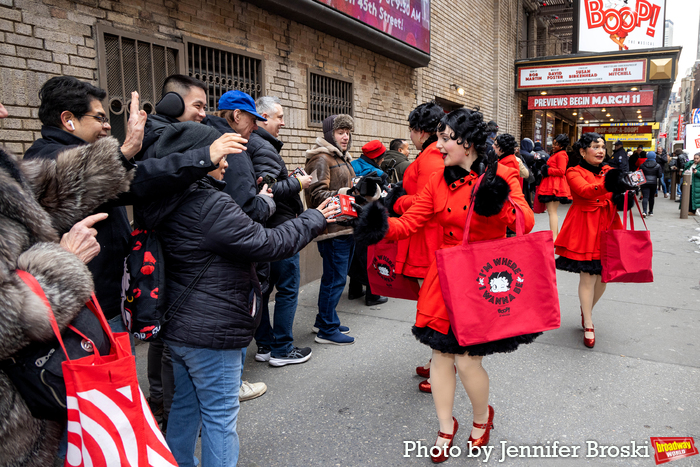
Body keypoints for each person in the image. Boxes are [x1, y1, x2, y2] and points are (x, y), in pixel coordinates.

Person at [354, 108, 538, 462]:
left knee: (468, 362)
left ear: (466, 143)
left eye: (444, 138)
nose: (437, 146)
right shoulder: (439, 180)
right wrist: (375, 216)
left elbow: (525, 222)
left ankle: (482, 419)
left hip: (484, 277)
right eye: (437, 137)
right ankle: (444, 425)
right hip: (445, 274)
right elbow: (409, 223)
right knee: (440, 354)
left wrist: (495, 202)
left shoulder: (500, 173)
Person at [145, 130, 337, 467]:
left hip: (180, 324)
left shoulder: (167, 199)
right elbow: (267, 243)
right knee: (220, 418)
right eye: (219, 155)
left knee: (186, 409)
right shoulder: (209, 203)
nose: (225, 164)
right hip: (212, 330)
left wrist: (262, 202)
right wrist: (315, 217)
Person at [249, 96, 315, 367]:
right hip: (280, 231)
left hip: (266, 231)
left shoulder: (256, 144)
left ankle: (265, 344)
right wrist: (299, 182)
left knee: (264, 290)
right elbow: (270, 190)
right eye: (279, 117)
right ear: (262, 117)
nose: (283, 123)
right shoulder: (262, 147)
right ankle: (282, 349)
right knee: (287, 289)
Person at [384, 101, 446, 393]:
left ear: (421, 131)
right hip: (426, 235)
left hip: (427, 238)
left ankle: (441, 366)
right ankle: (438, 361)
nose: (409, 135)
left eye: (411, 129)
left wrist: (396, 200)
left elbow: (428, 201)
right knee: (433, 304)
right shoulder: (433, 153)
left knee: (434, 308)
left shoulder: (432, 155)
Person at [554, 133, 634, 348]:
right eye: (595, 147)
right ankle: (588, 323)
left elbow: (617, 197)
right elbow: (585, 191)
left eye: (602, 147)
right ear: (582, 151)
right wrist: (610, 185)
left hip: (609, 223)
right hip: (585, 226)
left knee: (605, 278)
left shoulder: (610, 171)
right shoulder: (573, 171)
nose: (600, 151)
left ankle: (585, 308)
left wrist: (626, 191)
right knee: (588, 276)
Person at [304, 114, 359, 345]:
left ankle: (324, 320)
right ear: (330, 134)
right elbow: (316, 194)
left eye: (347, 132)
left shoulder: (340, 157)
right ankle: (327, 328)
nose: (345, 136)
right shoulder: (321, 159)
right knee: (334, 280)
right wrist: (346, 194)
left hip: (346, 227)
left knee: (335, 278)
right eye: (340, 132)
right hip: (333, 229)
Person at [348, 139, 390, 306]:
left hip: (352, 214)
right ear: (378, 157)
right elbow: (384, 197)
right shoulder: (378, 174)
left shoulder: (352, 165)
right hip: (369, 218)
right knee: (370, 257)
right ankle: (373, 295)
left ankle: (355, 290)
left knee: (356, 254)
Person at [537, 133, 572, 240]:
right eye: (553, 143)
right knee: (552, 212)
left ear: (561, 145)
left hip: (554, 185)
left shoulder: (560, 154)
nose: (553, 145)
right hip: (553, 183)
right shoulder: (558, 153)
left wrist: (547, 170)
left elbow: (562, 171)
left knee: (552, 212)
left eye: (555, 143)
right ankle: (555, 237)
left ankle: (554, 238)